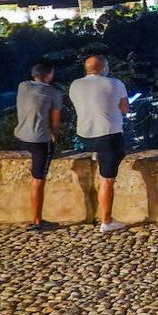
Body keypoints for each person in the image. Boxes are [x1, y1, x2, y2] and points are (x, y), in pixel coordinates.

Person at [68, 55, 129, 233]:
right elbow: (125, 110)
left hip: (85, 136)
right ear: (103, 68)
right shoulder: (115, 83)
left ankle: (97, 154)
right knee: (107, 180)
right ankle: (107, 221)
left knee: (103, 154)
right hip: (107, 135)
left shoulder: (75, 84)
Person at [14, 60, 63, 231]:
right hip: (40, 140)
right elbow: (55, 123)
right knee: (38, 180)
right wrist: (55, 137)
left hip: (22, 137)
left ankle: (37, 219)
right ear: (49, 74)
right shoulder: (54, 93)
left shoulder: (22, 86)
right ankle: (37, 221)